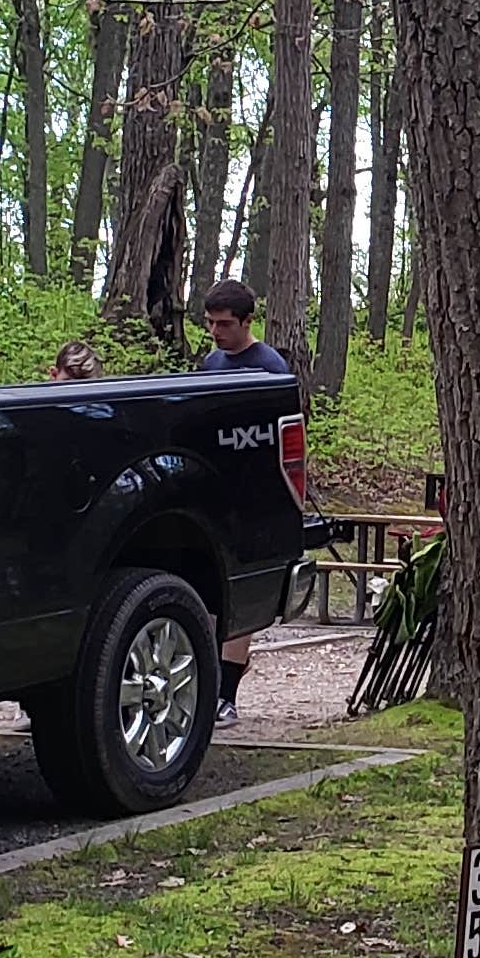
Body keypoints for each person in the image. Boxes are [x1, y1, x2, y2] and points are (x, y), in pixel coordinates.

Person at [193, 282, 298, 713]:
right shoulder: (210, 364)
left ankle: (226, 696)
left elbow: (285, 438)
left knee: (239, 601)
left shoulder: (269, 369)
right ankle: (206, 686)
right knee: (209, 597)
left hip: (252, 498)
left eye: (225, 324)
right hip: (212, 496)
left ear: (246, 322)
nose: (216, 331)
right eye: (211, 323)